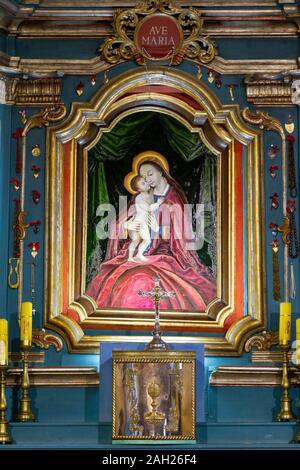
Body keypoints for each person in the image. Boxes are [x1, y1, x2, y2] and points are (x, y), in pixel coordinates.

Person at [87, 151, 216, 311]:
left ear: (161, 171)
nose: (147, 179)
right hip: (138, 248)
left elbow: (179, 236)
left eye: (150, 174)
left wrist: (158, 230)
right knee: (128, 280)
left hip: (166, 252)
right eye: (143, 177)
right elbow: (121, 222)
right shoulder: (142, 196)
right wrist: (127, 228)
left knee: (144, 280)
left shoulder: (173, 199)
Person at [124, 175, 160, 262]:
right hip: (140, 223)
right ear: (139, 190)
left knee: (136, 240)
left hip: (140, 222)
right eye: (143, 183)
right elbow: (149, 209)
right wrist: (158, 203)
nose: (147, 183)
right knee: (147, 240)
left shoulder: (146, 195)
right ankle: (139, 255)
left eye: (145, 180)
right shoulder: (140, 198)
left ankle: (130, 257)